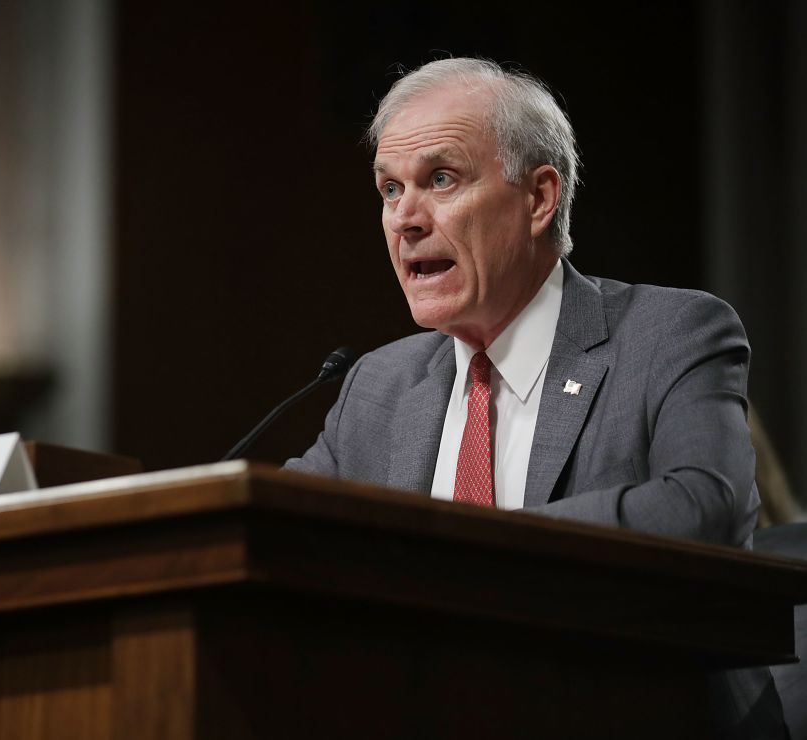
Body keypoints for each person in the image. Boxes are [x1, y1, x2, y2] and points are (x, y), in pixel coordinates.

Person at [284, 57, 784, 738]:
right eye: (389, 189)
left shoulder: (669, 335)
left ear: (540, 197)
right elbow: (278, 537)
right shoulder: (379, 385)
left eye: (440, 179)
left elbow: (707, 505)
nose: (405, 218)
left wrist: (470, 553)